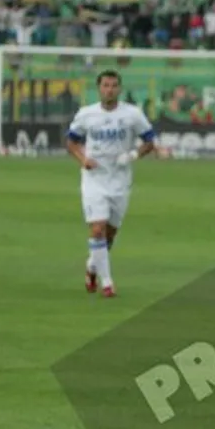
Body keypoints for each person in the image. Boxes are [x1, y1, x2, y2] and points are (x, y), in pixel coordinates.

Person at [66, 70, 157, 297]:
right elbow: (71, 142)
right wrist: (83, 159)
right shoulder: (86, 114)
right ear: (99, 88)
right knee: (97, 229)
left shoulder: (132, 114)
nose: (110, 90)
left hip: (120, 181)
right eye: (106, 85)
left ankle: (92, 267)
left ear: (120, 89)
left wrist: (132, 155)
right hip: (94, 179)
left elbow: (149, 141)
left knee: (109, 236)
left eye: (114, 85)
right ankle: (107, 283)